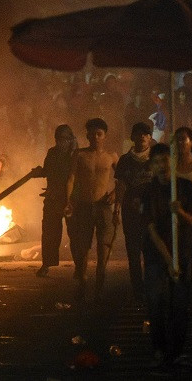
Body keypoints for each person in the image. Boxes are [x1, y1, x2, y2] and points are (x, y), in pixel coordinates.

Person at [140, 142, 192, 371]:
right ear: (152, 167)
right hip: (157, 255)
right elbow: (152, 229)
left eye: (165, 160)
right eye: (156, 162)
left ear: (172, 161)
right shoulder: (149, 191)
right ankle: (159, 349)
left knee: (180, 305)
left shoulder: (184, 186)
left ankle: (176, 352)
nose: (161, 165)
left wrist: (180, 211)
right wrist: (169, 261)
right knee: (155, 302)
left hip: (182, 251)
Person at [63, 117, 120, 300]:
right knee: (82, 246)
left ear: (105, 136)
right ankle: (82, 278)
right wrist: (68, 200)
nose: (95, 137)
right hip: (83, 206)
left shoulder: (111, 157)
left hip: (103, 205)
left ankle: (100, 280)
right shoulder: (79, 155)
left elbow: (122, 181)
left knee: (104, 245)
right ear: (87, 135)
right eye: (92, 134)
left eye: (99, 134)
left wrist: (115, 194)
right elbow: (71, 179)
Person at [114, 121, 154, 305]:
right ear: (132, 137)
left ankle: (151, 289)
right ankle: (137, 291)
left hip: (153, 212)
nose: (142, 137)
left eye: (146, 134)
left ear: (150, 137)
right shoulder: (125, 160)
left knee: (152, 251)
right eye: (139, 133)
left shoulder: (157, 157)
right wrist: (117, 208)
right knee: (133, 252)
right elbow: (120, 186)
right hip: (131, 212)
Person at [30, 124, 78, 278]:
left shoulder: (76, 155)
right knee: (50, 233)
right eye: (58, 139)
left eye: (64, 139)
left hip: (71, 199)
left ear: (70, 139)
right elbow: (48, 171)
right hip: (53, 199)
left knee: (75, 233)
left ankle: (80, 266)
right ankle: (46, 265)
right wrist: (39, 172)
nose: (61, 142)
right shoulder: (52, 153)